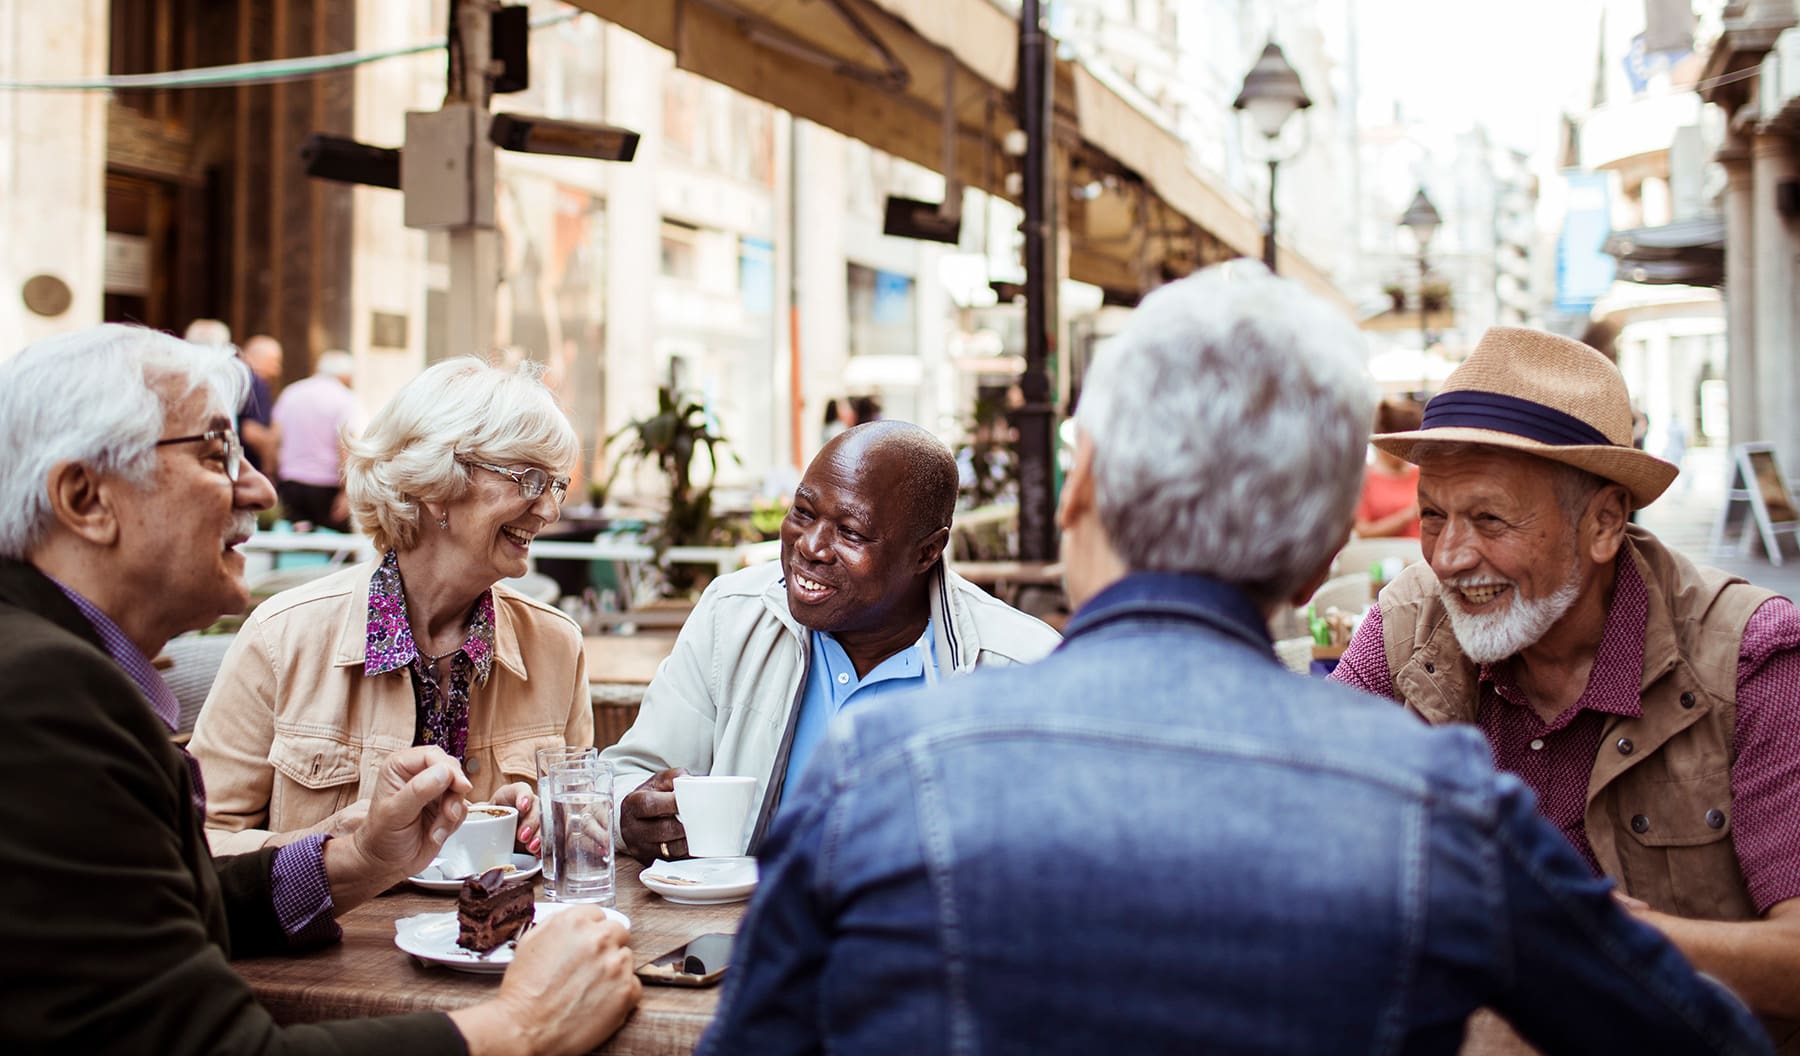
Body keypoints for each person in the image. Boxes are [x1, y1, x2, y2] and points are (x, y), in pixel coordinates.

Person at [697, 265, 1774, 1056]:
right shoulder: (1438, 808)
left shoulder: (874, 770)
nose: (1451, 556)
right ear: (1315, 567)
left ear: (1082, 495)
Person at [0, 324, 638, 1054]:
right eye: (217, 453)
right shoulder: (45, 694)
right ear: (85, 497)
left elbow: (175, 899)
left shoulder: (56, 674)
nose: (262, 486)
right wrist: (519, 1027)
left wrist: (365, 854)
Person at [1331, 326, 1800, 1051]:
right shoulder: (1402, 630)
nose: (1450, 558)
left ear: (1605, 522)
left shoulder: (1749, 656)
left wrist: (1600, 936)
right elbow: (1313, 846)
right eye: (1432, 517)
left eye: (1489, 519)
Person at [602, 420, 1060, 862]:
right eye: (802, 512)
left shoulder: (1022, 669)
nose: (811, 546)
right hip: (738, 935)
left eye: (851, 533)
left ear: (926, 552)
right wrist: (631, 816)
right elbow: (628, 775)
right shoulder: (733, 615)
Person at [192, 357, 593, 856]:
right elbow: (197, 846)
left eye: (555, 485)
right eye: (528, 479)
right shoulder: (283, 638)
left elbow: (582, 841)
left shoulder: (557, 646)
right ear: (436, 484)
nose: (550, 510)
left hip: (499, 935)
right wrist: (338, 844)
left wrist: (536, 827)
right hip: (336, 934)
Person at [272, 348, 357, 531]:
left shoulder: (291, 392)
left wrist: (273, 475)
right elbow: (345, 446)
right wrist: (347, 492)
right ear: (345, 376)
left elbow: (275, 439)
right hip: (326, 487)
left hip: (291, 483)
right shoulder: (344, 398)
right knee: (338, 552)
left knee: (293, 548)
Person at [1353, 397, 1423, 538]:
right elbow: (1363, 531)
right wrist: (1408, 514)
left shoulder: (1420, 474)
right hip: (1382, 556)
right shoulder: (1364, 479)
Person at [237, 333, 283, 474]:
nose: (277, 370)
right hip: (247, 468)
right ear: (257, 357)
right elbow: (251, 432)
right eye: (273, 362)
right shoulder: (255, 381)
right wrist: (269, 470)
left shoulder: (236, 378)